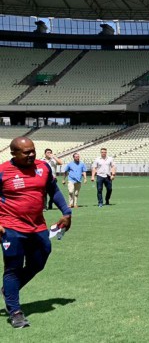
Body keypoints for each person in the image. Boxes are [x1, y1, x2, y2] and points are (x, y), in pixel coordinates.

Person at [0, 137, 72, 328]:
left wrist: (66, 212)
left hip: (38, 226)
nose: (32, 154)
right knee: (13, 268)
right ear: (14, 154)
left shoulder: (43, 167)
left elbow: (53, 190)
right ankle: (15, 312)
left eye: (33, 150)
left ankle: (9, 290)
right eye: (26, 152)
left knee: (39, 261)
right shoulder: (2, 171)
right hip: (11, 227)